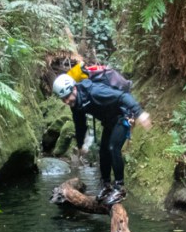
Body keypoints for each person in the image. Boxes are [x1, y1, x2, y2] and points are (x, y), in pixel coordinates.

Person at [52, 73, 152, 206]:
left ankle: (120, 188)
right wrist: (81, 145)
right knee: (103, 152)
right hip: (109, 121)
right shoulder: (76, 104)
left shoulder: (95, 92)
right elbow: (80, 124)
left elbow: (123, 96)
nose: (66, 101)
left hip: (123, 116)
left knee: (113, 147)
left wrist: (140, 113)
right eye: (63, 99)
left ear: (74, 89)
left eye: (67, 97)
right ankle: (107, 186)